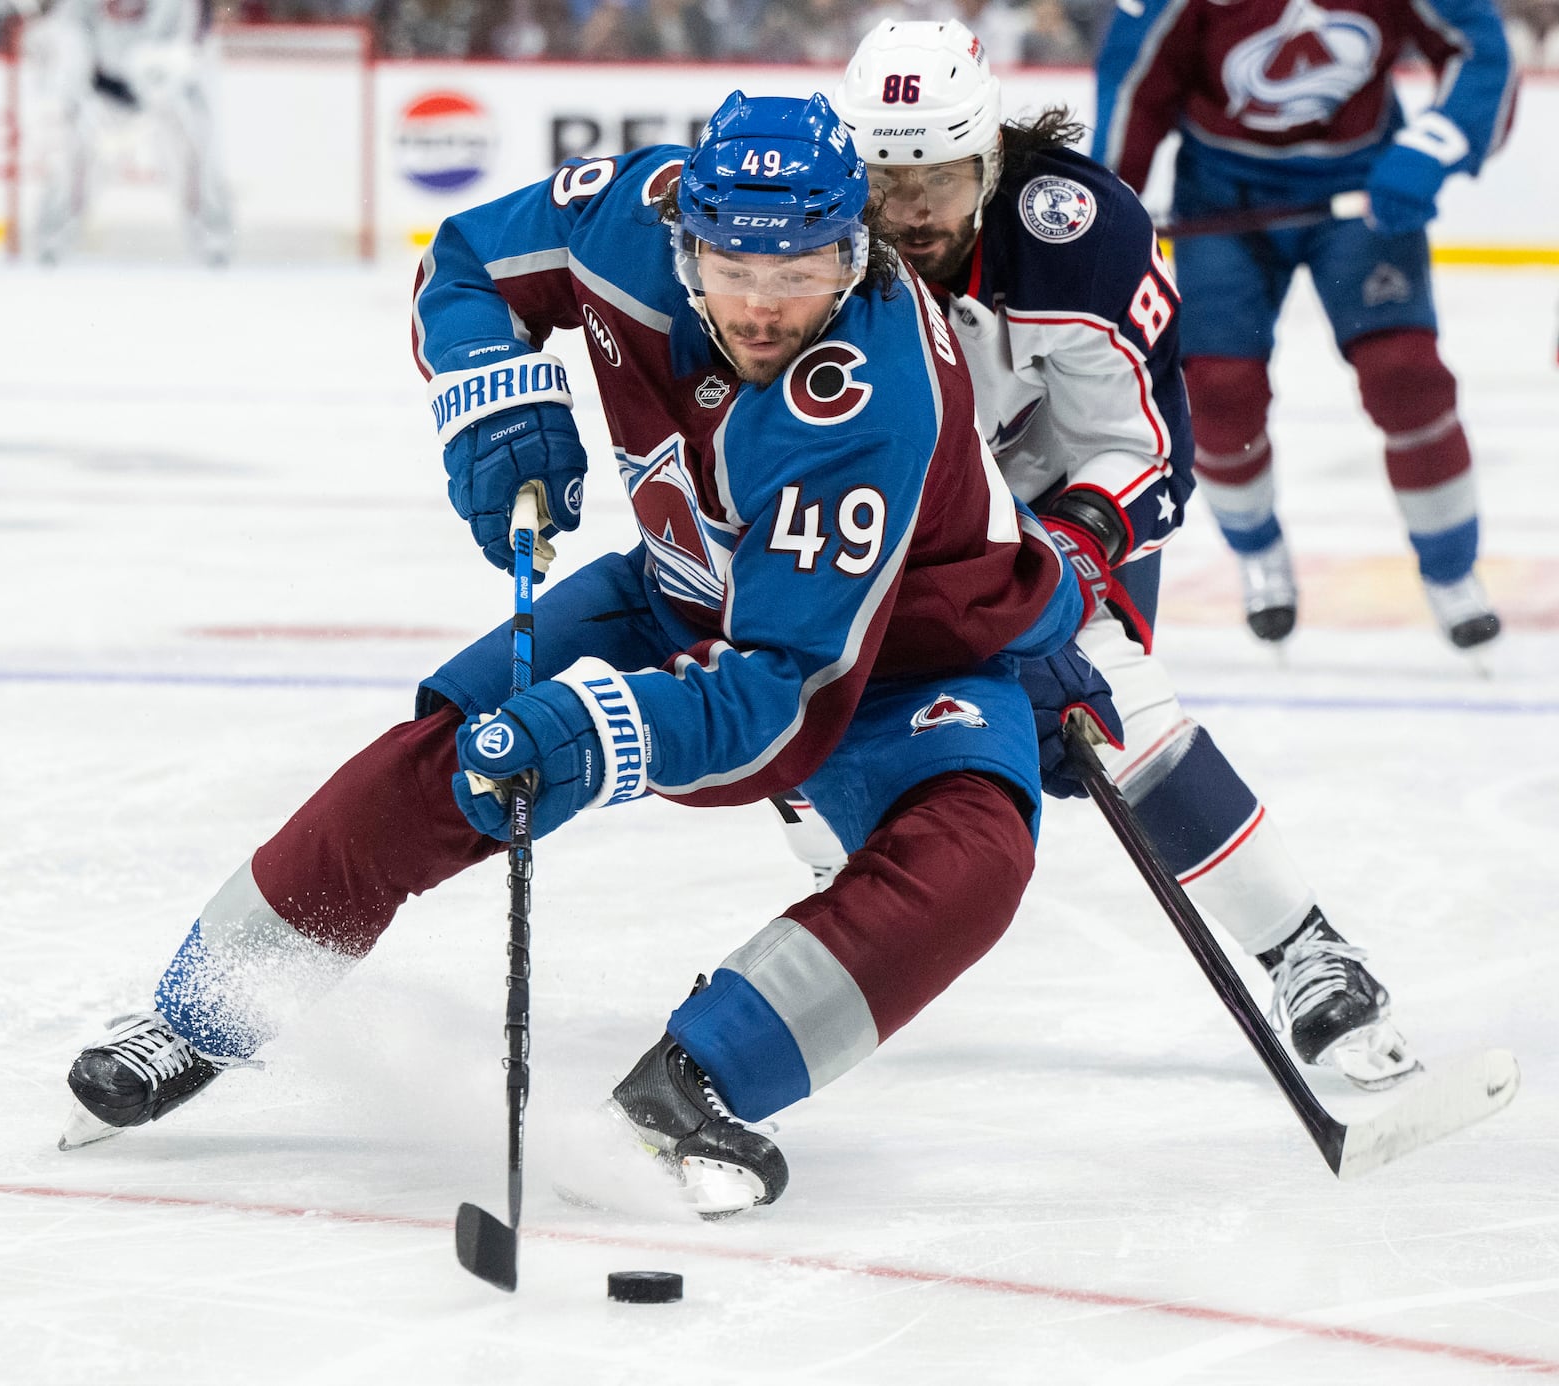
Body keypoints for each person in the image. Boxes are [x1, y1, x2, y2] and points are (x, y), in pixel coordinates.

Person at [58, 91, 1112, 1217]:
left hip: (898, 652)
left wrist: (598, 731)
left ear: (855, 255)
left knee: (973, 861)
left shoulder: (865, 398)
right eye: (729, 269)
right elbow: (463, 263)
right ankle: (204, 1009)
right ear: (679, 235)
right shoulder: (622, 214)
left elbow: (778, 696)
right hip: (681, 591)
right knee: (453, 754)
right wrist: (493, 401)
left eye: (800, 273)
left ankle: (695, 1086)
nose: (761, 309)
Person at [825, 18, 1417, 1089]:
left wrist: (1049, 575)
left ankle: (1303, 948)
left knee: (1113, 707)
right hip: (876, 530)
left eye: (937, 179)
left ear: (989, 155)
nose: (905, 213)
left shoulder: (1073, 234)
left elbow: (1138, 455)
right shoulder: (804, 241)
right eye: (882, 179)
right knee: (815, 737)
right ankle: (818, 963)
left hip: (1049, 513)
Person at [1092, 0, 1516, 650]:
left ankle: (1451, 567)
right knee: (1217, 392)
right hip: (1222, 197)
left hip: (1362, 189)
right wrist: (1108, 211)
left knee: (1407, 375)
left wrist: (1435, 144)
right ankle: (1257, 549)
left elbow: (1477, 46)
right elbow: (1135, 85)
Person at [31, 0, 232, 263]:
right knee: (69, 157)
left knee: (197, 147)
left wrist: (162, 75)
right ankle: (51, 244)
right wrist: (74, 82)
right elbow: (68, 37)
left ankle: (214, 242)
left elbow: (188, 48)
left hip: (166, 91)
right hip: (101, 88)